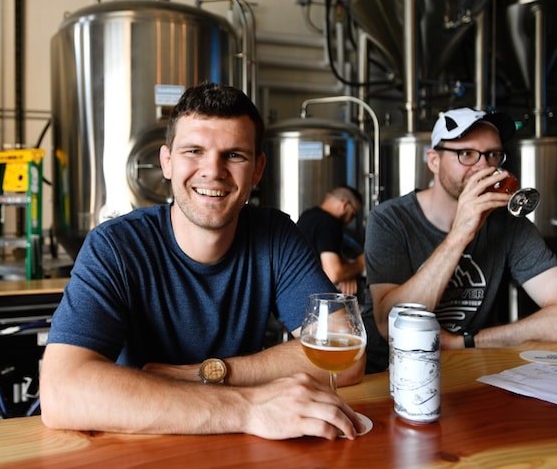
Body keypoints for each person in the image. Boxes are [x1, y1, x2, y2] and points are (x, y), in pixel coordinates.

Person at [40, 83, 366, 440]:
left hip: (245, 449)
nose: (213, 170)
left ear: (257, 170)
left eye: (235, 155)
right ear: (167, 162)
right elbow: (61, 392)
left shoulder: (276, 236)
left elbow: (345, 354)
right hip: (142, 445)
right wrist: (247, 408)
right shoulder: (116, 246)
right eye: (194, 151)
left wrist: (209, 372)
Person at [363, 107, 557, 373]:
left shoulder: (509, 223)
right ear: (434, 161)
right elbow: (389, 324)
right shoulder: (390, 219)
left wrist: (467, 342)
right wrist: (460, 234)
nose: (484, 166)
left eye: (493, 155)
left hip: (468, 367)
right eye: (466, 154)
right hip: (387, 373)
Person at [297, 186, 365, 295]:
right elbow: (333, 274)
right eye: (353, 214)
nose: (351, 220)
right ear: (345, 204)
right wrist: (360, 264)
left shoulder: (307, 215)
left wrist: (347, 273)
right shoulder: (329, 223)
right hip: (314, 297)